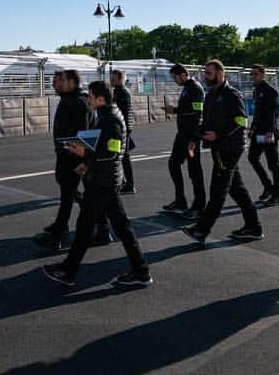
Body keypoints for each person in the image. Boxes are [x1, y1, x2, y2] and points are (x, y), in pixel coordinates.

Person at [42, 81, 152, 288]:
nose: (88, 99)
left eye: (91, 96)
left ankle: (68, 271)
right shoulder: (106, 114)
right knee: (122, 228)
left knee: (85, 227)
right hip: (106, 179)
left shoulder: (110, 119)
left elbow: (112, 152)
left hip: (103, 181)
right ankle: (141, 271)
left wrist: (84, 154)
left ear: (100, 98)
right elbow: (103, 148)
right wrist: (86, 162)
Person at [183, 60, 263, 247]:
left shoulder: (231, 94)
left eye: (209, 73)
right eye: (205, 73)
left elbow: (241, 121)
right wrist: (195, 139)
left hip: (230, 148)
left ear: (220, 73)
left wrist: (220, 134)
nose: (205, 76)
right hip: (218, 147)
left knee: (218, 190)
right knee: (237, 189)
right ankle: (254, 226)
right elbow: (205, 122)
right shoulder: (211, 95)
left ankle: (202, 229)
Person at [36, 71, 111, 250]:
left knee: (80, 194)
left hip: (76, 155)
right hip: (67, 153)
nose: (58, 83)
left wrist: (83, 160)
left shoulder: (79, 101)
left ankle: (99, 230)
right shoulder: (68, 98)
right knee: (69, 193)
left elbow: (84, 132)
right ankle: (63, 226)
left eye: (62, 80)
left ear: (72, 82)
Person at [162, 64, 205, 220]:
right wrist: (176, 110)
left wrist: (194, 138)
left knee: (194, 171)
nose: (174, 80)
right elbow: (189, 110)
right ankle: (180, 201)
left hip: (190, 136)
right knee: (173, 164)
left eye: (175, 77)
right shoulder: (187, 88)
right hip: (182, 134)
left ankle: (199, 205)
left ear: (182, 74)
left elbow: (198, 113)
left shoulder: (195, 88)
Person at [248, 64, 279, 205]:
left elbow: (274, 113)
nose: (253, 76)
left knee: (273, 165)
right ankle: (268, 187)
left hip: (269, 132)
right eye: (251, 74)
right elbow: (257, 113)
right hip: (258, 131)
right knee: (252, 158)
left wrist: (270, 131)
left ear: (263, 75)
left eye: (255, 74)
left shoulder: (271, 91)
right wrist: (251, 129)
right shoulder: (257, 91)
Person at [111, 69, 137, 194]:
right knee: (121, 156)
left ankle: (130, 184)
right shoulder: (117, 91)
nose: (111, 80)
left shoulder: (123, 93)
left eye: (114, 78)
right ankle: (124, 182)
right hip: (122, 128)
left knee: (124, 157)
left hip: (123, 129)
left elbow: (125, 114)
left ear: (121, 79)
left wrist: (123, 130)